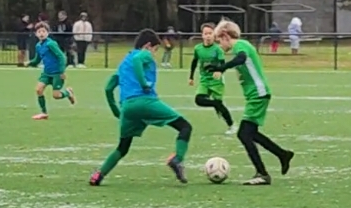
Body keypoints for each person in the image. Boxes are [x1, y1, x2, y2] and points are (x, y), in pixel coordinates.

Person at [89, 29, 192, 186]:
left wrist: (117, 112)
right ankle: (177, 159)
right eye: (155, 50)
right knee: (185, 127)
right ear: (148, 46)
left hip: (127, 107)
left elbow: (108, 88)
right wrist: (144, 84)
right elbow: (139, 59)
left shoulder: (124, 63)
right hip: (145, 102)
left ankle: (99, 175)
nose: (154, 54)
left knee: (122, 147)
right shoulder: (143, 54)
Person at [209, 19, 293, 185]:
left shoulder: (241, 45)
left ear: (225, 35)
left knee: (244, 134)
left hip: (258, 94)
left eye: (219, 40)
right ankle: (282, 154)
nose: (219, 45)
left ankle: (262, 174)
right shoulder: (240, 46)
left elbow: (241, 59)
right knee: (251, 133)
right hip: (256, 95)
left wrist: (222, 67)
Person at [188, 23, 235, 134]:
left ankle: (232, 125)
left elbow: (223, 64)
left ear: (214, 35)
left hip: (216, 81)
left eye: (210, 33)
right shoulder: (198, 49)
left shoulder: (217, 49)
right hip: (205, 80)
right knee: (199, 100)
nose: (208, 36)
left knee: (220, 105)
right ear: (202, 35)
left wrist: (220, 70)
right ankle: (215, 104)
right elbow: (194, 62)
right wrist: (191, 77)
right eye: (206, 33)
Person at [28, 20, 76, 119]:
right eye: (39, 32)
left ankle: (68, 93)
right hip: (46, 73)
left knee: (56, 96)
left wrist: (62, 71)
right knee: (38, 90)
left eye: (43, 31)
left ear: (47, 33)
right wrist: (29, 63)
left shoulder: (51, 44)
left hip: (57, 74)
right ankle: (44, 113)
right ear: (36, 34)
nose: (41, 34)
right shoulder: (38, 46)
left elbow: (62, 57)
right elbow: (37, 59)